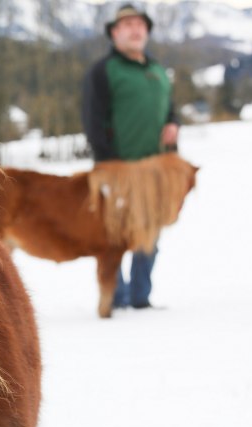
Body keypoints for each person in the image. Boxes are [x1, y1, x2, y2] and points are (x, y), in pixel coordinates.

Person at [81, 3, 179, 310]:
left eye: (140, 24)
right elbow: (93, 120)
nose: (136, 29)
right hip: (120, 169)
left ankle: (140, 297)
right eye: (127, 25)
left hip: (157, 168)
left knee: (149, 233)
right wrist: (107, 164)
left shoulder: (156, 69)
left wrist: (174, 124)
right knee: (116, 234)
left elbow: (169, 107)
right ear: (114, 33)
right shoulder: (104, 71)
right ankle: (118, 296)